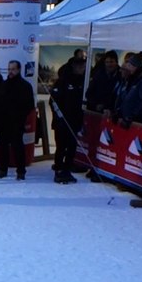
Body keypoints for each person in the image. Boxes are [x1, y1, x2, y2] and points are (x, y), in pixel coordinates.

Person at [49, 54, 85, 184]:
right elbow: (53, 101)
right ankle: (58, 170)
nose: (81, 67)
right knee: (61, 147)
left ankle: (67, 170)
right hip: (61, 122)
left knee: (72, 147)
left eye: (83, 65)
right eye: (79, 65)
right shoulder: (63, 80)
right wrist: (59, 117)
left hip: (75, 121)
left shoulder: (82, 81)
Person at [0, 60, 33, 182]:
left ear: (18, 70)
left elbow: (29, 105)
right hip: (2, 122)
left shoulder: (25, 86)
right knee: (3, 147)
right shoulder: (3, 85)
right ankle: (2, 169)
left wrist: (20, 116)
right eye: (9, 69)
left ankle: (21, 171)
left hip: (17, 122)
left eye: (13, 69)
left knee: (18, 147)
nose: (10, 71)